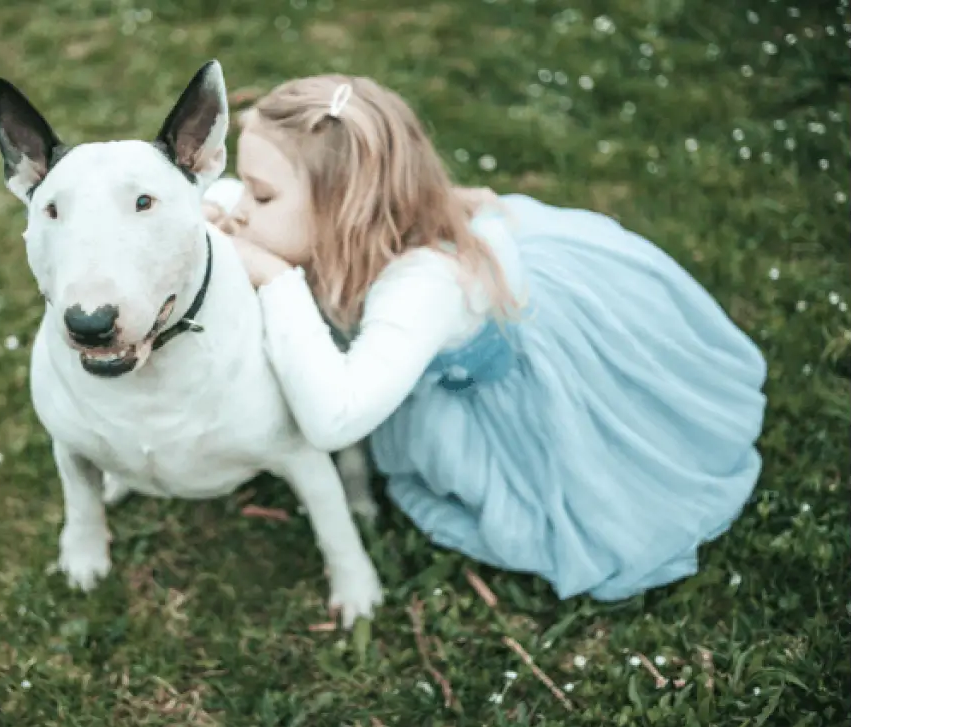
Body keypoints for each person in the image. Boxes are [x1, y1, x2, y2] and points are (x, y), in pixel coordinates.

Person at [201, 74, 768, 602]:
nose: (243, 213)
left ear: (345, 211)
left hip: (528, 389)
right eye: (247, 192)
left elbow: (335, 420)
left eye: (262, 197)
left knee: (597, 499)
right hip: (427, 314)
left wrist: (273, 279)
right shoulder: (341, 234)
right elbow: (233, 200)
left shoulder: (423, 286)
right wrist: (214, 208)